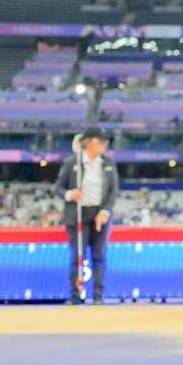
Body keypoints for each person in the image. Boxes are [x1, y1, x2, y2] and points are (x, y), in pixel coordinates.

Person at [56, 127, 117, 304]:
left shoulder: (108, 164)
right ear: (89, 141)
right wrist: (70, 194)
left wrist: (105, 212)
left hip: (100, 215)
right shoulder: (72, 163)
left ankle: (98, 295)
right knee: (77, 255)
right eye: (100, 141)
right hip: (78, 214)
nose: (104, 144)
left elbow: (113, 191)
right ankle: (76, 293)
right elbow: (58, 188)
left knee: (99, 255)